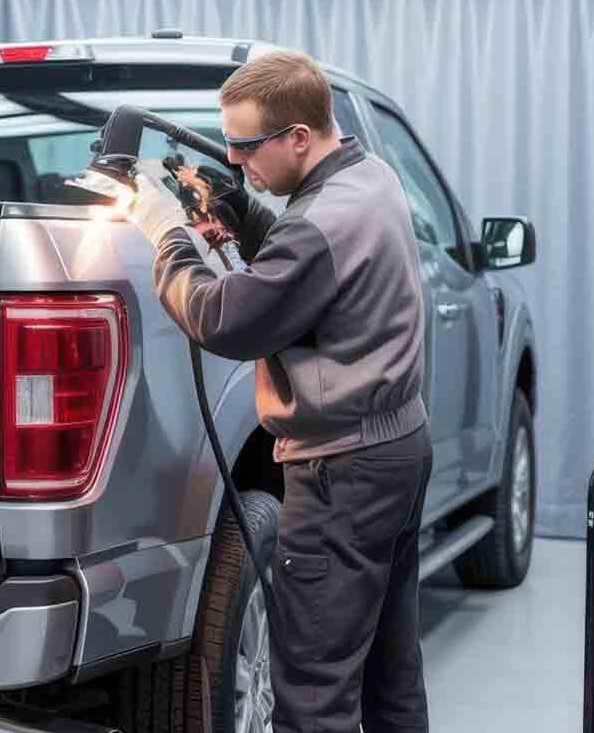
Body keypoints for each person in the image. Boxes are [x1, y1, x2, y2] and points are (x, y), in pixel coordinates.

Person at [125, 50, 433, 733]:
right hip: (398, 447)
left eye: (244, 147)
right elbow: (313, 270)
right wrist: (241, 216)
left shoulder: (317, 225)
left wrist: (165, 232)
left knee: (313, 694)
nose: (234, 162)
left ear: (298, 136)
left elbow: (222, 318)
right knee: (391, 672)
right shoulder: (367, 178)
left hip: (343, 474)